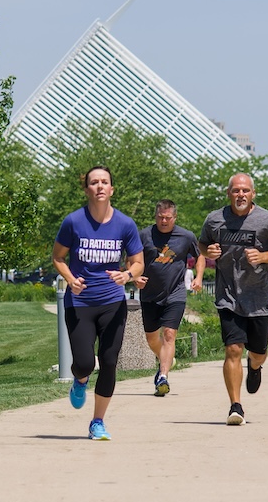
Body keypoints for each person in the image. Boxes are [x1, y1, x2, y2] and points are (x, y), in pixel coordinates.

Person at [52, 166, 144, 441]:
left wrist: (127, 275)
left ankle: (97, 422)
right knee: (83, 363)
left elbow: (138, 262)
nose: (100, 186)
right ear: (87, 189)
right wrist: (70, 279)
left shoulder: (125, 224)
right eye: (94, 182)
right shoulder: (73, 222)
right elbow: (58, 257)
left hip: (112, 303)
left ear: (112, 189)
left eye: (105, 182)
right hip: (80, 303)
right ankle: (80, 380)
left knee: (109, 361)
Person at [199, 173, 268, 426]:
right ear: (228, 193)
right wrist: (209, 251)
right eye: (236, 190)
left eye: (245, 190)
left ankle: (255, 366)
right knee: (233, 349)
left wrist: (264, 257)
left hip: (259, 297)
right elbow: (203, 244)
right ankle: (235, 406)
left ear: (253, 194)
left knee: (258, 352)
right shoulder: (215, 219)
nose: (241, 194)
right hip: (228, 296)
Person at [134, 199, 205, 397]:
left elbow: (200, 256)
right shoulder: (144, 235)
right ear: (155, 216)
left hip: (175, 293)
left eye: (167, 218)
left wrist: (199, 277)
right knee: (151, 338)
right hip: (149, 295)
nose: (163, 221)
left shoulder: (186, 236)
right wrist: (135, 277)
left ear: (175, 217)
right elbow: (132, 259)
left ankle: (163, 376)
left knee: (169, 334)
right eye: (160, 217)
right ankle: (165, 358)